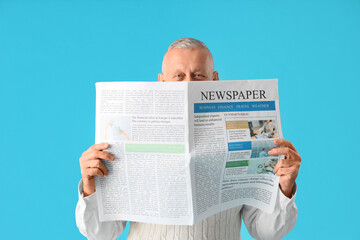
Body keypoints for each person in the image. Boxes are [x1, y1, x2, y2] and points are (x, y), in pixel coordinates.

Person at [76, 38, 302, 240]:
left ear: (215, 80)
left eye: (198, 75)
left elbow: (266, 232)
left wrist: (284, 187)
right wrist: (89, 188)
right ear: (161, 82)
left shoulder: (244, 133)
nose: (188, 84)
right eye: (178, 76)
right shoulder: (129, 137)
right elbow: (101, 235)